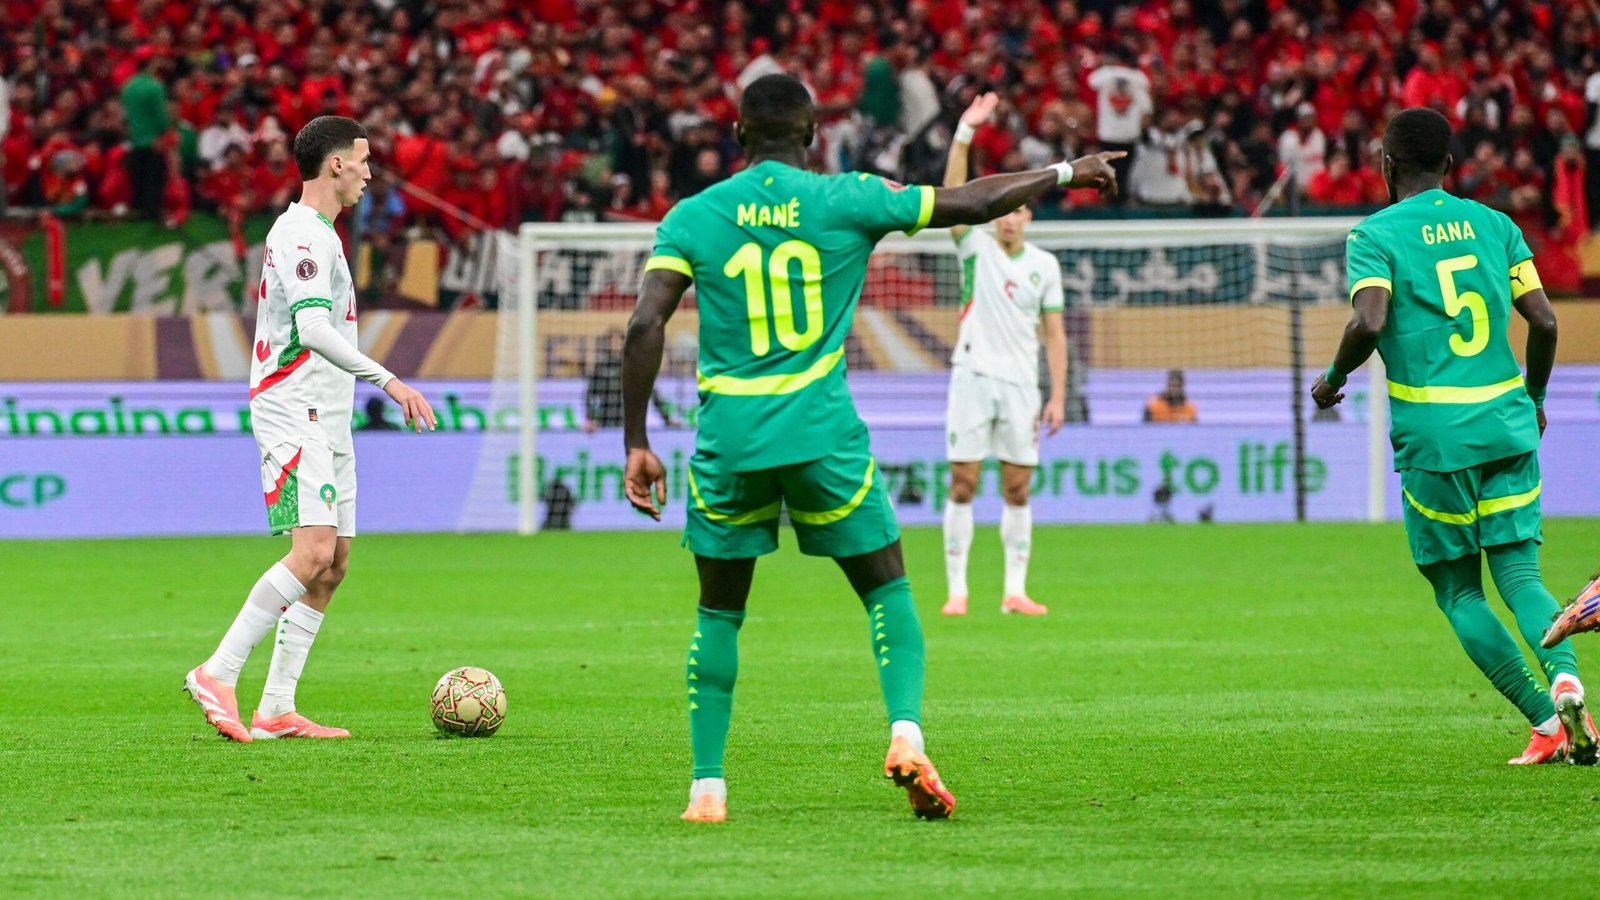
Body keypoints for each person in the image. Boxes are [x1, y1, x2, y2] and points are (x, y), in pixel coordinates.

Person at [622, 75, 1120, 823]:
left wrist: (637, 440)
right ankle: (907, 735)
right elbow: (973, 203)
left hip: (729, 438)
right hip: (821, 436)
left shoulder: (693, 216)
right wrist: (1064, 171)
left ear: (736, 134)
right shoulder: (847, 198)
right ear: (815, 132)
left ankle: (707, 790)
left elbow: (644, 325)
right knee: (886, 589)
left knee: (719, 614)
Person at [1311, 107, 1594, 766]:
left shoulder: (1373, 235)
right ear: (1449, 166)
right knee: (1523, 576)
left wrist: (1331, 379)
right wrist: (1537, 398)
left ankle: (1545, 721)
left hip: (1436, 437)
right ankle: (1568, 682)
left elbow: (1369, 320)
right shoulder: (1496, 226)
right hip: (1507, 421)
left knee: (1460, 591)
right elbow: (1546, 323)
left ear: (1385, 165)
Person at [183, 116, 436, 743]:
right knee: (313, 551)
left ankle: (277, 705)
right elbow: (313, 328)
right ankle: (217, 672)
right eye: (364, 160)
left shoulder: (323, 234)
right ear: (335, 165)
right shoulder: (300, 235)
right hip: (291, 406)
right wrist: (391, 381)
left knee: (335, 563)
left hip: (330, 414)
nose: (370, 173)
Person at [938, 93, 1068, 618]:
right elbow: (950, 194)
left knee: (1017, 487)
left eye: (1016, 211)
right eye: (1001, 212)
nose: (1007, 220)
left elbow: (1054, 334)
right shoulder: (975, 247)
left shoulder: (1045, 266)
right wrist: (965, 132)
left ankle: (1015, 591)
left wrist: (1057, 396)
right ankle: (958, 590)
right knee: (963, 481)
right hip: (971, 375)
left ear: (1028, 215)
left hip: (1021, 384)